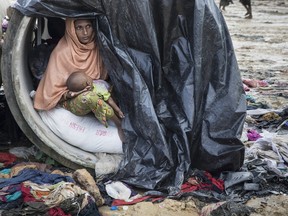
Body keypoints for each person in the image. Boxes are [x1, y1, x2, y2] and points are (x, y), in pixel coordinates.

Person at [34, 18, 125, 141]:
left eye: (88, 26)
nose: (85, 32)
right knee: (89, 98)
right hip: (72, 98)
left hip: (96, 88)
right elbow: (51, 93)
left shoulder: (98, 47)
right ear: (71, 30)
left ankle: (118, 115)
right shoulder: (62, 53)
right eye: (79, 28)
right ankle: (118, 124)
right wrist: (73, 94)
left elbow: (105, 77)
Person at [65, 71, 125, 141]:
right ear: (88, 83)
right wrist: (118, 110)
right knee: (102, 100)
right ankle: (118, 124)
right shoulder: (98, 89)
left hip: (82, 105)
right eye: (88, 76)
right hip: (102, 98)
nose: (90, 76)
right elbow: (110, 100)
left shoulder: (80, 91)